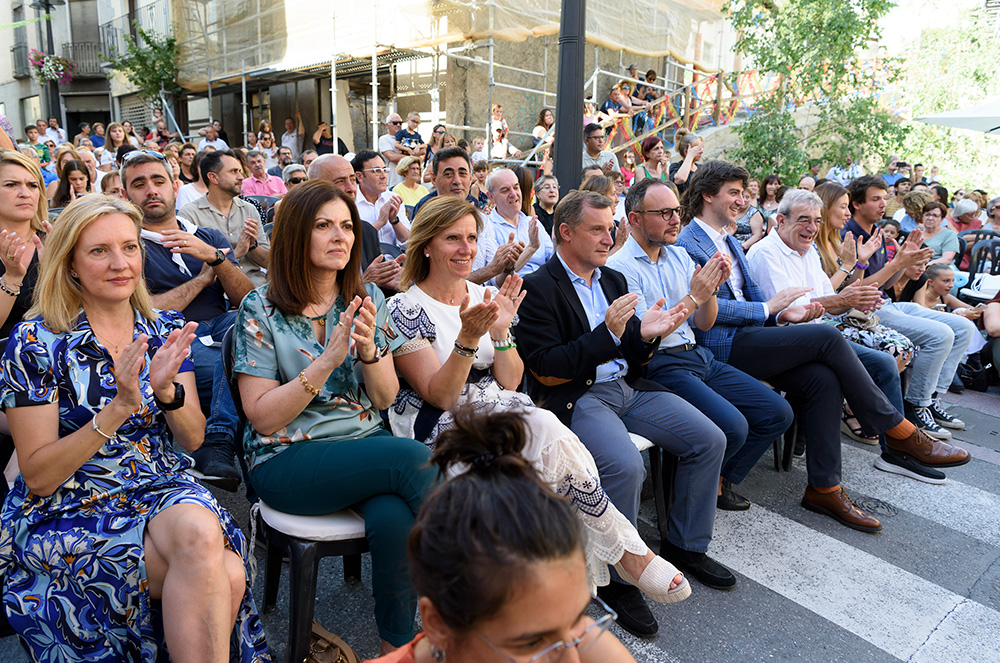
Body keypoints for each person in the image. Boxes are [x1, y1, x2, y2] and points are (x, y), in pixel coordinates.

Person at [0, 194, 270, 661]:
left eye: (129, 247)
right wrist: (119, 408)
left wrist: (166, 393)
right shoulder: (36, 342)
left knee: (199, 531)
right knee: (223, 571)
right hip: (69, 503)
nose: (119, 263)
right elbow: (40, 477)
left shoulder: (164, 328)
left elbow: (193, 438)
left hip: (159, 486)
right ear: (70, 265)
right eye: (99, 251)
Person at [388, 196, 688, 607]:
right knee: (533, 457)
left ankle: (598, 569)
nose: (466, 249)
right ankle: (618, 560)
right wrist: (468, 338)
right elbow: (441, 396)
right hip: (440, 424)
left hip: (497, 407)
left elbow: (511, 381)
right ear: (425, 245)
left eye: (472, 238)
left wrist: (500, 333)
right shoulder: (404, 307)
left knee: (553, 437)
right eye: (452, 239)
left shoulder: (484, 293)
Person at [678, 162, 968, 496]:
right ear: (707, 195)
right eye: (734, 193)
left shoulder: (726, 239)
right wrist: (771, 310)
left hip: (758, 334)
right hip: (721, 345)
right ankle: (899, 431)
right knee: (828, 337)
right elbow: (704, 307)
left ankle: (825, 488)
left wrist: (783, 314)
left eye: (743, 193)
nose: (743, 201)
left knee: (824, 378)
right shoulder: (691, 242)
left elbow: (768, 300)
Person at [234, 180, 438, 655]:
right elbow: (262, 418)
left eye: (346, 226)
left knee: (394, 520)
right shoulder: (260, 307)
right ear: (295, 235)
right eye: (323, 225)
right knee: (413, 458)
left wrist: (369, 351)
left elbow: (384, 397)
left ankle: (396, 649)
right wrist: (326, 361)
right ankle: (479, 598)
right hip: (286, 456)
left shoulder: (368, 298)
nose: (340, 236)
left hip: (362, 446)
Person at [517, 190, 729, 636]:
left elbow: (632, 352)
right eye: (596, 229)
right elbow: (545, 369)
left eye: (610, 227)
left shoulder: (612, 278)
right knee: (626, 465)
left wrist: (647, 336)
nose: (608, 237)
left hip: (628, 388)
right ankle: (618, 576)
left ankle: (686, 545)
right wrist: (609, 334)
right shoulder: (538, 287)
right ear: (565, 232)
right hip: (579, 395)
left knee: (710, 439)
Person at [366, 409, 639, 663]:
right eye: (533, 643)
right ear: (438, 626)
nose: (573, 659)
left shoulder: (570, 636)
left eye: (577, 619)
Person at [608, 177, 794, 515]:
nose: (675, 219)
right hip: (659, 363)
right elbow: (648, 334)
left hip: (697, 354)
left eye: (676, 211)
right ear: (634, 218)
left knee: (777, 412)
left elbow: (704, 323)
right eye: (663, 213)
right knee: (733, 426)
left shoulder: (679, 256)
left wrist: (710, 292)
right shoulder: (619, 266)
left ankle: (716, 480)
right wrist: (695, 296)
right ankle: (686, 501)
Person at [124, 150, 251, 490]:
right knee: (246, 373)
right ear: (125, 194)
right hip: (171, 340)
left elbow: (248, 301)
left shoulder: (208, 237)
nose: (151, 190)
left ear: (175, 186)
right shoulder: (127, 247)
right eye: (139, 184)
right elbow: (143, 311)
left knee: (248, 328)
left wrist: (215, 259)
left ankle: (218, 443)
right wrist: (201, 280)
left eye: (158, 181)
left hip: (224, 327)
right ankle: (247, 480)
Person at [844, 175, 975, 440]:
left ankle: (932, 398)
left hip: (887, 302)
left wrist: (903, 261)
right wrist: (897, 264)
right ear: (857, 204)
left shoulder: (876, 231)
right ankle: (916, 406)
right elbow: (855, 291)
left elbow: (885, 283)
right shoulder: (848, 234)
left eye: (884, 198)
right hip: (864, 309)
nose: (884, 204)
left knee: (964, 327)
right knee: (941, 335)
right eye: (876, 199)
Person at [179, 149, 270, 287]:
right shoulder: (189, 215)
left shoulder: (248, 209)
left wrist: (252, 245)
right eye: (234, 172)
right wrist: (236, 253)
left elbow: (267, 262)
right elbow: (191, 270)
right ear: (213, 178)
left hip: (256, 287)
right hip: (217, 292)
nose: (241, 177)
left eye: (240, 171)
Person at [0, 150, 47, 341]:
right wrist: (12, 278)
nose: (25, 194)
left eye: (32, 185)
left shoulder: (55, 241)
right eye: (11, 185)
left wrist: (57, 273)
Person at [485, 168, 551, 277]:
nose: (513, 194)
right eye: (505, 190)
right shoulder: (487, 228)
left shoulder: (532, 222)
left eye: (516, 187)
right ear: (491, 197)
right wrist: (531, 248)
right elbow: (496, 278)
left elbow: (552, 258)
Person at [353, 151, 410, 248]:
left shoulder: (393, 199)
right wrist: (380, 222)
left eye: (385, 170)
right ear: (360, 176)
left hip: (392, 256)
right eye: (377, 171)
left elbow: (408, 244)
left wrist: (394, 221)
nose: (384, 176)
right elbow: (352, 243)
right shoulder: (351, 202)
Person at [668, 128, 704, 194]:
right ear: (686, 152)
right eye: (698, 149)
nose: (702, 151)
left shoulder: (702, 168)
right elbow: (681, 179)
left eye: (702, 148)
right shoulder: (675, 167)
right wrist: (690, 156)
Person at [731, 187, 767, 251]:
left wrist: (741, 247)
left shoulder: (754, 213)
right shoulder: (730, 210)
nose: (744, 200)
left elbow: (757, 235)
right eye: (742, 196)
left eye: (747, 197)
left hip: (745, 249)